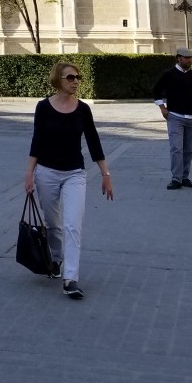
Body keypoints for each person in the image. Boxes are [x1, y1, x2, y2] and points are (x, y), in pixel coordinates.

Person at [24, 62, 112, 300]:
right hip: (46, 172)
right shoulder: (43, 107)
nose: (75, 81)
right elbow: (37, 140)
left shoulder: (83, 109)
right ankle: (55, 257)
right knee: (53, 224)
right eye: (70, 77)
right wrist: (29, 172)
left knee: (73, 224)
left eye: (78, 77)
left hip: (75, 173)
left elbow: (94, 142)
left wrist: (106, 175)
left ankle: (70, 278)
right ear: (58, 80)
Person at [152, 47, 192, 189]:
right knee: (176, 148)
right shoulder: (169, 75)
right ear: (178, 58)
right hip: (175, 117)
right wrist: (162, 108)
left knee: (188, 150)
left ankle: (185, 177)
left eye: (190, 58)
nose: (189, 60)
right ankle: (176, 179)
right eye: (186, 58)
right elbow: (156, 90)